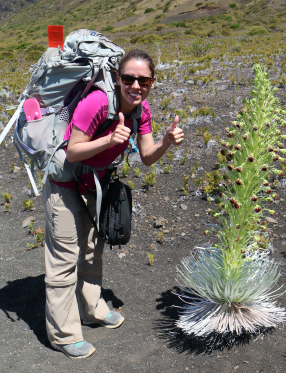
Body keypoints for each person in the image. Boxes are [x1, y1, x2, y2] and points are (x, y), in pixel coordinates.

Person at [42, 49, 184, 359]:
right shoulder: (97, 102)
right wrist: (109, 140)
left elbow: (147, 157)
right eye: (129, 78)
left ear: (152, 82)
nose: (136, 85)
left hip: (95, 182)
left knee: (93, 248)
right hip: (64, 182)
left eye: (143, 80)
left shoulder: (141, 111)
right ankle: (63, 334)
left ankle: (92, 309)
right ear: (118, 79)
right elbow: (73, 151)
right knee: (64, 257)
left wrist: (165, 142)